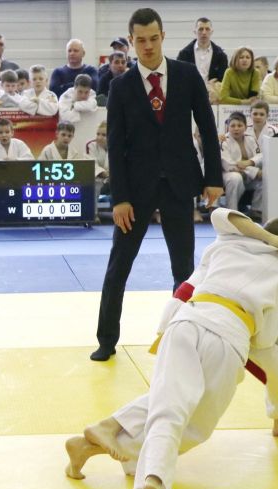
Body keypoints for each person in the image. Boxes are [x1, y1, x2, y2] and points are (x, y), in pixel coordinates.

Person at [66, 208, 278, 489]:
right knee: (193, 424)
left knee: (168, 405)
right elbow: (266, 339)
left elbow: (221, 215)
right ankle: (153, 481)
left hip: (184, 320)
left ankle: (97, 438)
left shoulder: (228, 243)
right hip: (226, 338)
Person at [92, 8, 224, 362]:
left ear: (163, 36)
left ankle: (184, 338)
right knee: (119, 266)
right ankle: (106, 339)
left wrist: (213, 178)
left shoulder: (187, 75)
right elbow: (115, 145)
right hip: (135, 189)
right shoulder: (120, 86)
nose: (148, 46)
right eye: (140, 40)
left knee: (184, 268)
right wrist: (119, 198)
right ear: (131, 41)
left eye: (153, 38)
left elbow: (207, 128)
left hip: (179, 181)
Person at [221, 111, 262, 214]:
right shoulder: (224, 141)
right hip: (227, 175)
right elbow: (228, 165)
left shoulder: (251, 139)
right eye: (233, 126)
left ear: (245, 127)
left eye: (239, 125)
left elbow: (260, 156)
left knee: (265, 178)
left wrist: (250, 162)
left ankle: (256, 210)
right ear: (228, 127)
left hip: (247, 176)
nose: (236, 128)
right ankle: (231, 212)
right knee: (235, 178)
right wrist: (254, 171)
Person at [176, 17, 228, 85]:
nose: (204, 32)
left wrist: (215, 85)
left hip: (212, 91)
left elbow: (224, 80)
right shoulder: (184, 55)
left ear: (211, 32)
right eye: (200, 29)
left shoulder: (221, 56)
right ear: (195, 32)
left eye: (207, 29)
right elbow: (178, 77)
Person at [87, 120, 109, 220]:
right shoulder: (91, 145)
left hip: (116, 177)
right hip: (99, 177)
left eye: (104, 135)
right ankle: (93, 214)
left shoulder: (119, 145)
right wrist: (104, 173)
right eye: (98, 134)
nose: (99, 137)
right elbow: (92, 164)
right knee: (94, 184)